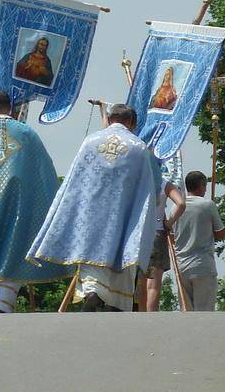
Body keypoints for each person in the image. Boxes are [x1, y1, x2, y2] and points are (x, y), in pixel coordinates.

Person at [27, 104, 157, 312]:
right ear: (132, 123)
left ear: (109, 119)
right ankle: (114, 303)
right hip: (121, 216)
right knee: (122, 256)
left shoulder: (91, 141)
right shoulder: (138, 147)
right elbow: (145, 191)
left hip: (89, 215)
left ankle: (92, 291)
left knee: (89, 255)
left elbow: (74, 180)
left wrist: (73, 210)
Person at [0, 91, 71, 313]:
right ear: (10, 108)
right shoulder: (27, 134)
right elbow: (44, 172)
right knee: (14, 251)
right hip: (19, 206)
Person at [136, 158, 186, 312]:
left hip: (138, 235)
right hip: (157, 231)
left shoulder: (138, 182)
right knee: (154, 282)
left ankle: (140, 313)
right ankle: (151, 315)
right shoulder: (164, 184)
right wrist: (169, 222)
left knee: (140, 280)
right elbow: (181, 203)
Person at [172, 170, 225, 311]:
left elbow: (172, 237)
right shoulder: (207, 205)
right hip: (202, 265)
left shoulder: (175, 207)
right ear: (201, 186)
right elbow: (220, 233)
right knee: (204, 313)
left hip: (181, 266)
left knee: (187, 312)